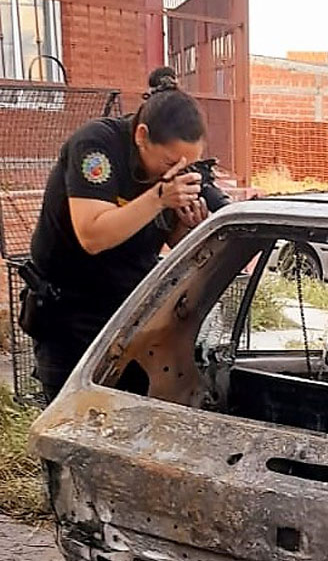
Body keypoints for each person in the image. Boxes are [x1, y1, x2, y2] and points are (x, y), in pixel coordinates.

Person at [19, 67, 210, 403]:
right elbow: (92, 235)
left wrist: (189, 226)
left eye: (186, 166)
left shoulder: (167, 170)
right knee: (72, 424)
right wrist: (160, 197)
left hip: (130, 311)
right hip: (71, 313)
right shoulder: (97, 147)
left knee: (131, 415)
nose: (175, 172)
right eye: (169, 163)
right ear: (141, 135)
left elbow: (169, 242)